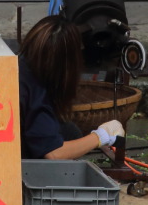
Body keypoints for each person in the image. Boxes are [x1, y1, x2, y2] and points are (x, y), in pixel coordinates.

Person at [18, 15, 125, 160]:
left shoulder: (22, 64)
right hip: (15, 160)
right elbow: (54, 153)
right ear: (66, 63)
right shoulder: (35, 91)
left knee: (68, 130)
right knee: (69, 134)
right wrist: (101, 136)